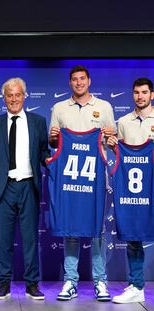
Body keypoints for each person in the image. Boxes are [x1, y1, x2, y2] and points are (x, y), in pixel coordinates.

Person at [0, 78, 49, 300]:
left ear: (24, 96)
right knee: (3, 240)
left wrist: (52, 161)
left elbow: (43, 151)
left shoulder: (38, 122)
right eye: (9, 95)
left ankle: (32, 285)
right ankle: (3, 284)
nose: (13, 99)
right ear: (4, 98)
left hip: (29, 186)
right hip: (4, 189)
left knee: (30, 239)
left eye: (17, 95)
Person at [49, 65, 115, 301]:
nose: (79, 83)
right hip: (69, 178)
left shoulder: (104, 107)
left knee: (97, 230)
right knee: (71, 230)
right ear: (70, 83)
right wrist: (54, 137)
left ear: (89, 81)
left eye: (82, 79)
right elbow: (54, 144)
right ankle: (70, 281)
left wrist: (110, 134)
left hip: (95, 178)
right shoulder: (59, 108)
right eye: (74, 80)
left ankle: (101, 282)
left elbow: (112, 139)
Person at [108, 78, 154, 304]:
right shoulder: (124, 121)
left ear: (151, 95)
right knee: (134, 237)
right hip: (136, 189)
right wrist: (113, 144)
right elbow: (121, 155)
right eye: (136, 92)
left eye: (144, 92)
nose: (140, 97)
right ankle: (136, 286)